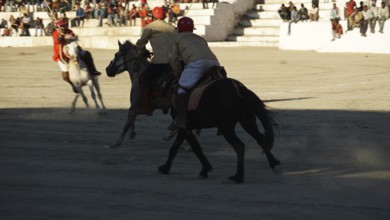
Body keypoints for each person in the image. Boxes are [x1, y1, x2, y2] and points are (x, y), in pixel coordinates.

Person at [170, 17, 221, 128]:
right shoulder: (200, 38)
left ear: (179, 28)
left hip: (197, 64)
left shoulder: (176, 38)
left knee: (181, 89)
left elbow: (173, 59)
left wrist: (177, 73)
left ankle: (181, 118)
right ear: (192, 29)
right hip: (214, 63)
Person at [135, 6, 176, 115]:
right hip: (175, 61)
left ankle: (147, 106)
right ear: (163, 16)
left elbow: (140, 44)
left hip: (160, 62)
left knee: (143, 78)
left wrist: (143, 52)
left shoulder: (149, 27)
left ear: (152, 16)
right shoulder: (172, 28)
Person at [52, 19, 101, 93]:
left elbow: (74, 39)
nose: (62, 27)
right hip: (61, 55)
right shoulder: (55, 33)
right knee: (65, 76)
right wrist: (61, 35)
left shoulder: (69, 31)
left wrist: (74, 38)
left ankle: (92, 70)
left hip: (73, 51)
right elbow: (58, 41)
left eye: (63, 25)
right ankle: (73, 85)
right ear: (56, 27)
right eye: (60, 26)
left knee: (87, 54)